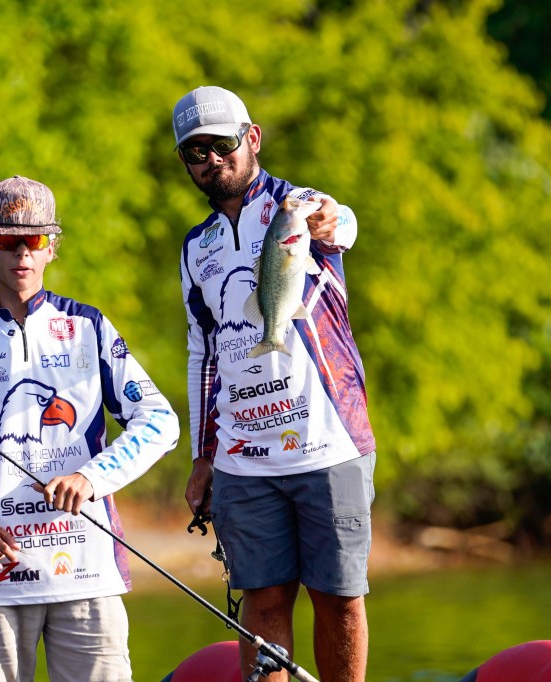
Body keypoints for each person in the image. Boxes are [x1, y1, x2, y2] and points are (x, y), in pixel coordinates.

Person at [0, 175, 179, 682]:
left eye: (34, 239)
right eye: (6, 240)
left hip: (87, 573)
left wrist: (91, 479)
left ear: (51, 247)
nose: (22, 253)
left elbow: (160, 421)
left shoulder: (89, 327)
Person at [172, 86, 377, 682]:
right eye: (196, 152)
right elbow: (202, 353)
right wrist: (202, 456)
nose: (212, 159)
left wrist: (333, 219)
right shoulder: (196, 247)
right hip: (242, 457)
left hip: (327, 443)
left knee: (339, 600)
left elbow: (341, 224)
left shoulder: (300, 206)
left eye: (223, 144)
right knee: (261, 607)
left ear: (253, 138)